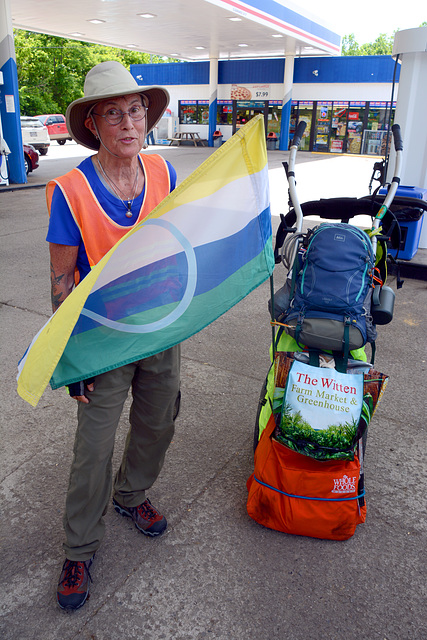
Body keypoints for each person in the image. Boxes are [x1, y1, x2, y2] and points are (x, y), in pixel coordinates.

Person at [47, 60, 181, 611]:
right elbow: (60, 282)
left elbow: (179, 243)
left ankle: (132, 495)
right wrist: (73, 357)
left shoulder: (166, 173)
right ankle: (79, 546)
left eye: (135, 111)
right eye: (113, 113)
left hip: (160, 327)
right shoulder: (69, 191)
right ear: (94, 124)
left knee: (159, 422)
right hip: (102, 340)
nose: (129, 123)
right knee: (92, 448)